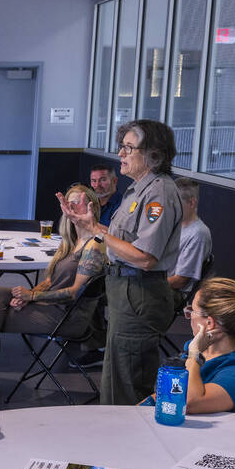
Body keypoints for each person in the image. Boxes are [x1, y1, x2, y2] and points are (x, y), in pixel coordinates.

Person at [64, 119, 182, 406]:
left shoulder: (159, 193)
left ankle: (130, 447)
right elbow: (124, 242)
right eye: (122, 147)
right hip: (123, 289)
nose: (121, 154)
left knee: (128, 382)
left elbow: (144, 257)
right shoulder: (137, 189)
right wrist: (92, 225)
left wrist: (97, 234)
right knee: (116, 377)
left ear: (153, 155)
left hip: (138, 290)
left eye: (129, 148)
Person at [0, 185, 107, 393]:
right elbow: (49, 281)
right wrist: (29, 297)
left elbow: (73, 292)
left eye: (76, 202)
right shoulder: (70, 241)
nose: (70, 206)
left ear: (92, 207)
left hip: (68, 317)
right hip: (50, 306)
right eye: (67, 202)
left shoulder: (94, 244)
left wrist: (32, 295)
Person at [177, 277, 235, 415]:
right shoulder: (193, 352)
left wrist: (194, 355)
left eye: (192, 310)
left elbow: (189, 402)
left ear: (209, 323)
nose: (189, 315)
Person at [168, 177, 212, 308]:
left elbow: (179, 281)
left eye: (175, 203)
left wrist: (148, 280)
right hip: (159, 281)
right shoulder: (175, 224)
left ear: (192, 203)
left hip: (172, 292)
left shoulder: (198, 234)